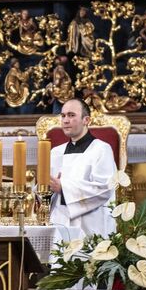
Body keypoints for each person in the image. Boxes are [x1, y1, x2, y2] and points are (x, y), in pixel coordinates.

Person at [49, 98, 116, 237]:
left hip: (90, 225)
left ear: (86, 120)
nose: (65, 120)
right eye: (63, 116)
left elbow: (104, 188)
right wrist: (44, 189)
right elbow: (45, 192)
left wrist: (64, 187)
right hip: (59, 223)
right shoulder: (55, 152)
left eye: (71, 115)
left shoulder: (101, 149)